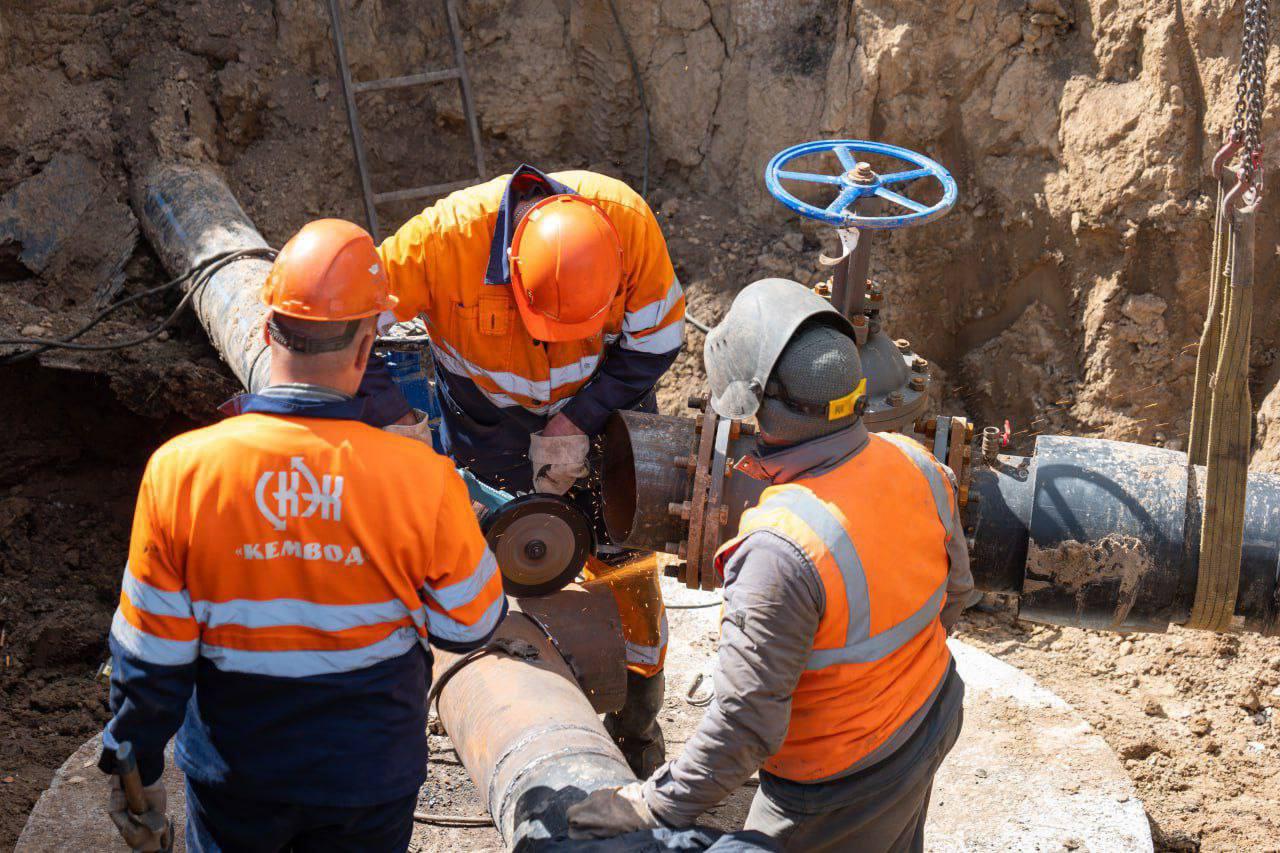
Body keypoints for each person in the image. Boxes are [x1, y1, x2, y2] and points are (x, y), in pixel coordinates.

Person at [97, 219, 507, 852]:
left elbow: (151, 654)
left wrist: (137, 759)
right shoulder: (423, 479)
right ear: (366, 348)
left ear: (266, 331)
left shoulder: (180, 471)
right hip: (368, 777)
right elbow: (471, 624)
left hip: (237, 777)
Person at [567, 278, 973, 852]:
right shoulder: (916, 463)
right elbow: (956, 595)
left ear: (754, 408)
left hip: (835, 781)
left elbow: (744, 728)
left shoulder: (781, 547)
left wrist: (649, 805)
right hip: (932, 716)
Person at [361, 164, 683, 775]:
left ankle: (637, 725)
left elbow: (656, 342)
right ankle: (503, 689)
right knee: (486, 553)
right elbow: (340, 324)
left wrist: (580, 417)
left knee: (627, 566)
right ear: (510, 269)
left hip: (608, 407)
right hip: (489, 423)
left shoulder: (630, 227)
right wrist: (396, 419)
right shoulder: (441, 241)